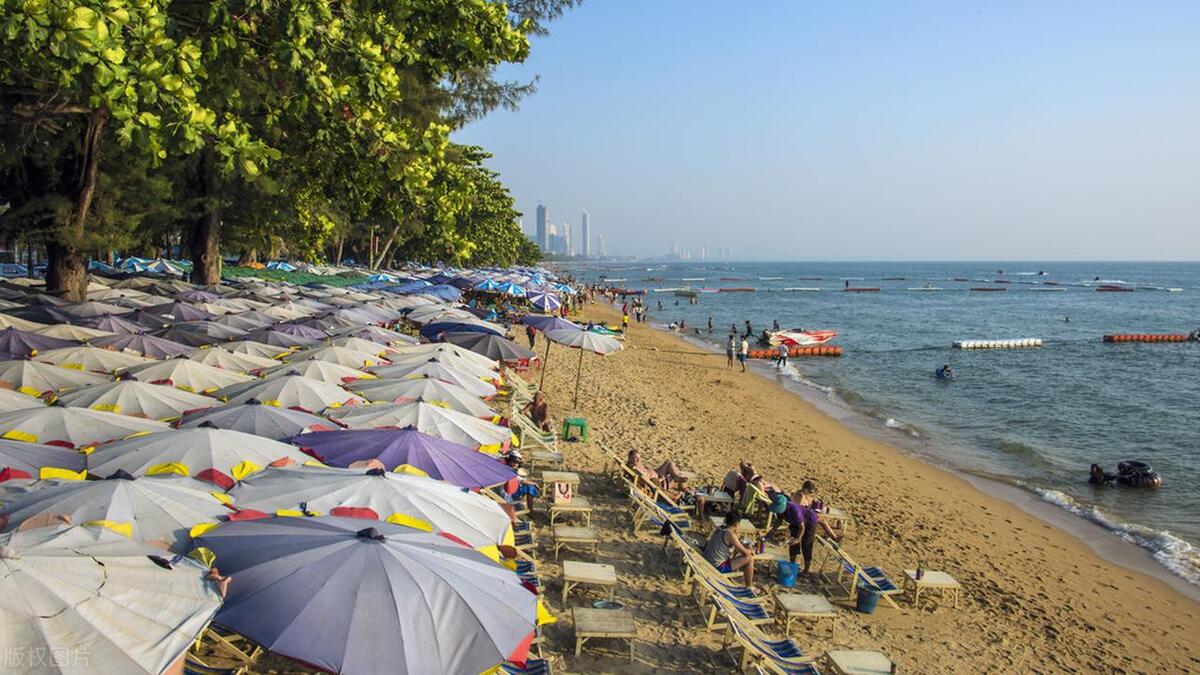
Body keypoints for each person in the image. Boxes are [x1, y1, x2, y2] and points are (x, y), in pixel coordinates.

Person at [702, 510, 756, 588]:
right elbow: (745, 554)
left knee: (745, 554)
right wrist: (751, 550)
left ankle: (748, 583)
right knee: (750, 558)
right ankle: (750, 586)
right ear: (736, 524)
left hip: (707, 559)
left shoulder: (720, 528)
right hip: (717, 566)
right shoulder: (730, 534)